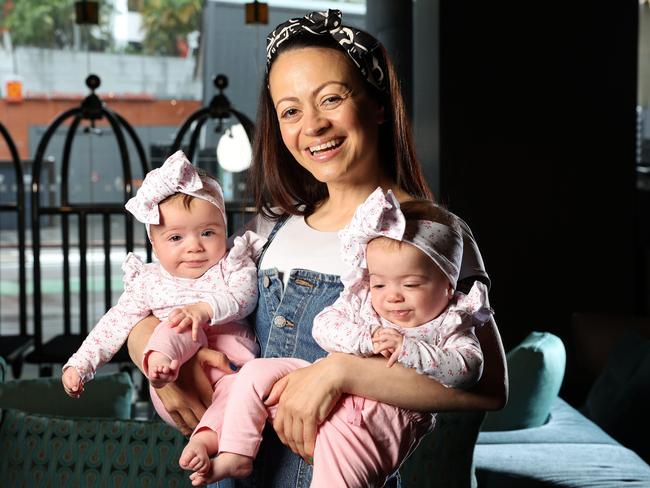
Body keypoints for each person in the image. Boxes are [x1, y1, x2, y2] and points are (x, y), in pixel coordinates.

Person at [127, 9, 508, 487]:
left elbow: (488, 388)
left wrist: (340, 373)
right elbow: (185, 296)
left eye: (331, 98)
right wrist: (142, 335)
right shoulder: (270, 229)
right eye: (290, 110)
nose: (313, 125)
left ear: (377, 104)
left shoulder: (431, 231)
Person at [178, 187, 493, 487]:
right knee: (251, 376)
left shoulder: (452, 317)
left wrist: (403, 352)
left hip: (370, 422)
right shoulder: (273, 223)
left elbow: (476, 375)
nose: (393, 297)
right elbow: (325, 326)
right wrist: (145, 341)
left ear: (448, 288)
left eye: (410, 285)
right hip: (296, 396)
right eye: (379, 284)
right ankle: (235, 451)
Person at [62, 151, 262, 421]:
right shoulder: (149, 281)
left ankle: (215, 449)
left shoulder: (231, 265)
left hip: (233, 369)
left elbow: (245, 296)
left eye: (207, 233)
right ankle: (161, 360)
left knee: (237, 417)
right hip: (175, 383)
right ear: (154, 245)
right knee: (176, 326)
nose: (194, 246)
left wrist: (203, 310)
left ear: (224, 230)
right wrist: (81, 364)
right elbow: (114, 323)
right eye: (176, 237)